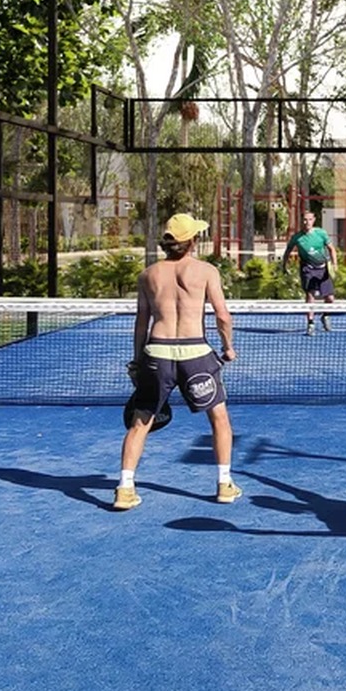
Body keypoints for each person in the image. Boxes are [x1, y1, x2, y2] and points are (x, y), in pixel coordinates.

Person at [116, 212, 240, 510]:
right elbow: (222, 315)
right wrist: (228, 348)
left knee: (140, 422)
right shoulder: (206, 271)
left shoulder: (147, 275)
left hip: (156, 354)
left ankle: (124, 488)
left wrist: (136, 361)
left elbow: (141, 322)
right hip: (196, 354)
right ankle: (224, 484)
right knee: (219, 419)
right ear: (193, 241)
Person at [282, 210, 339, 336]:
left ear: (313, 220)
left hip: (323, 268)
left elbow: (331, 249)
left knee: (330, 298)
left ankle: (325, 316)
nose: (306, 222)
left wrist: (334, 264)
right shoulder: (297, 237)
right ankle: (311, 323)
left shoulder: (321, 233)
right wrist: (284, 265)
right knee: (310, 295)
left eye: (309, 219)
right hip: (307, 268)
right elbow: (288, 251)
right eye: (304, 219)